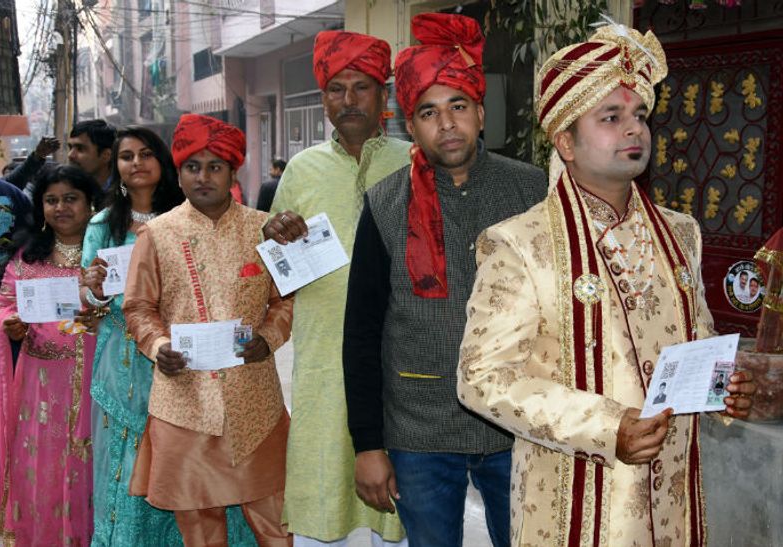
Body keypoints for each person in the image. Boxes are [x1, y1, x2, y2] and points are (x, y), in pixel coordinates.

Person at [456, 22, 757, 545]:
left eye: (639, 114)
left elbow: (696, 347)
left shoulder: (680, 233)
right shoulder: (520, 245)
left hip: (674, 502)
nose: (634, 129)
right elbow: (481, 378)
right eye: (611, 117)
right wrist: (605, 426)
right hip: (576, 497)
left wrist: (724, 387)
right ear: (565, 142)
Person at [341, 14, 546, 547]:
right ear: (410, 126)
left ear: (480, 112)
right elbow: (361, 332)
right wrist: (368, 445)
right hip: (419, 429)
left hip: (517, 423)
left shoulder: (531, 190)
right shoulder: (385, 203)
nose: (447, 124)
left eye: (458, 106)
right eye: (428, 112)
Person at [263, 29, 412, 547]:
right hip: (324, 355)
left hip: (400, 351)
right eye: (336, 88)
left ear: (384, 96)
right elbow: (273, 269)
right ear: (323, 98)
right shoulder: (302, 170)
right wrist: (274, 232)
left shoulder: (414, 163)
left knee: (402, 495)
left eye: (361, 87)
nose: (348, 100)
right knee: (327, 480)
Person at [80, 126, 257, 546]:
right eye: (126, 156)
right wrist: (93, 288)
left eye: (146, 154)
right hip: (126, 360)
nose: (136, 163)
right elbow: (89, 298)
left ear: (165, 163)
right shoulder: (104, 223)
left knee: (195, 457)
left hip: (190, 359)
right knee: (128, 457)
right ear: (115, 165)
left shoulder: (189, 214)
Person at [123, 113, 292, 547]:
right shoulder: (156, 234)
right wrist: (159, 346)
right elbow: (139, 307)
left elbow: (284, 302)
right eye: (192, 167)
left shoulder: (263, 229)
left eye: (215, 167)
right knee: (198, 528)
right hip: (183, 404)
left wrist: (268, 339)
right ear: (178, 175)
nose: (203, 177)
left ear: (233, 173)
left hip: (255, 401)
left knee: (276, 522)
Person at [0, 165, 99, 545]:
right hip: (40, 385)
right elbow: (3, 304)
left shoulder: (103, 254)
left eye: (71, 199)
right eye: (51, 200)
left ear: (89, 204)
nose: (61, 207)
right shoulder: (28, 257)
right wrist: (11, 323)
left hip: (96, 380)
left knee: (93, 465)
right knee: (44, 466)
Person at [0, 127, 32, 462]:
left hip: (8, 310)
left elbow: (32, 239)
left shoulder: (11, 194)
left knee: (6, 380)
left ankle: (6, 443)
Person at [68, 119, 117, 209]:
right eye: (70, 147)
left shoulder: (125, 195)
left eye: (80, 148)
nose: (70, 155)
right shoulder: (70, 190)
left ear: (106, 155)